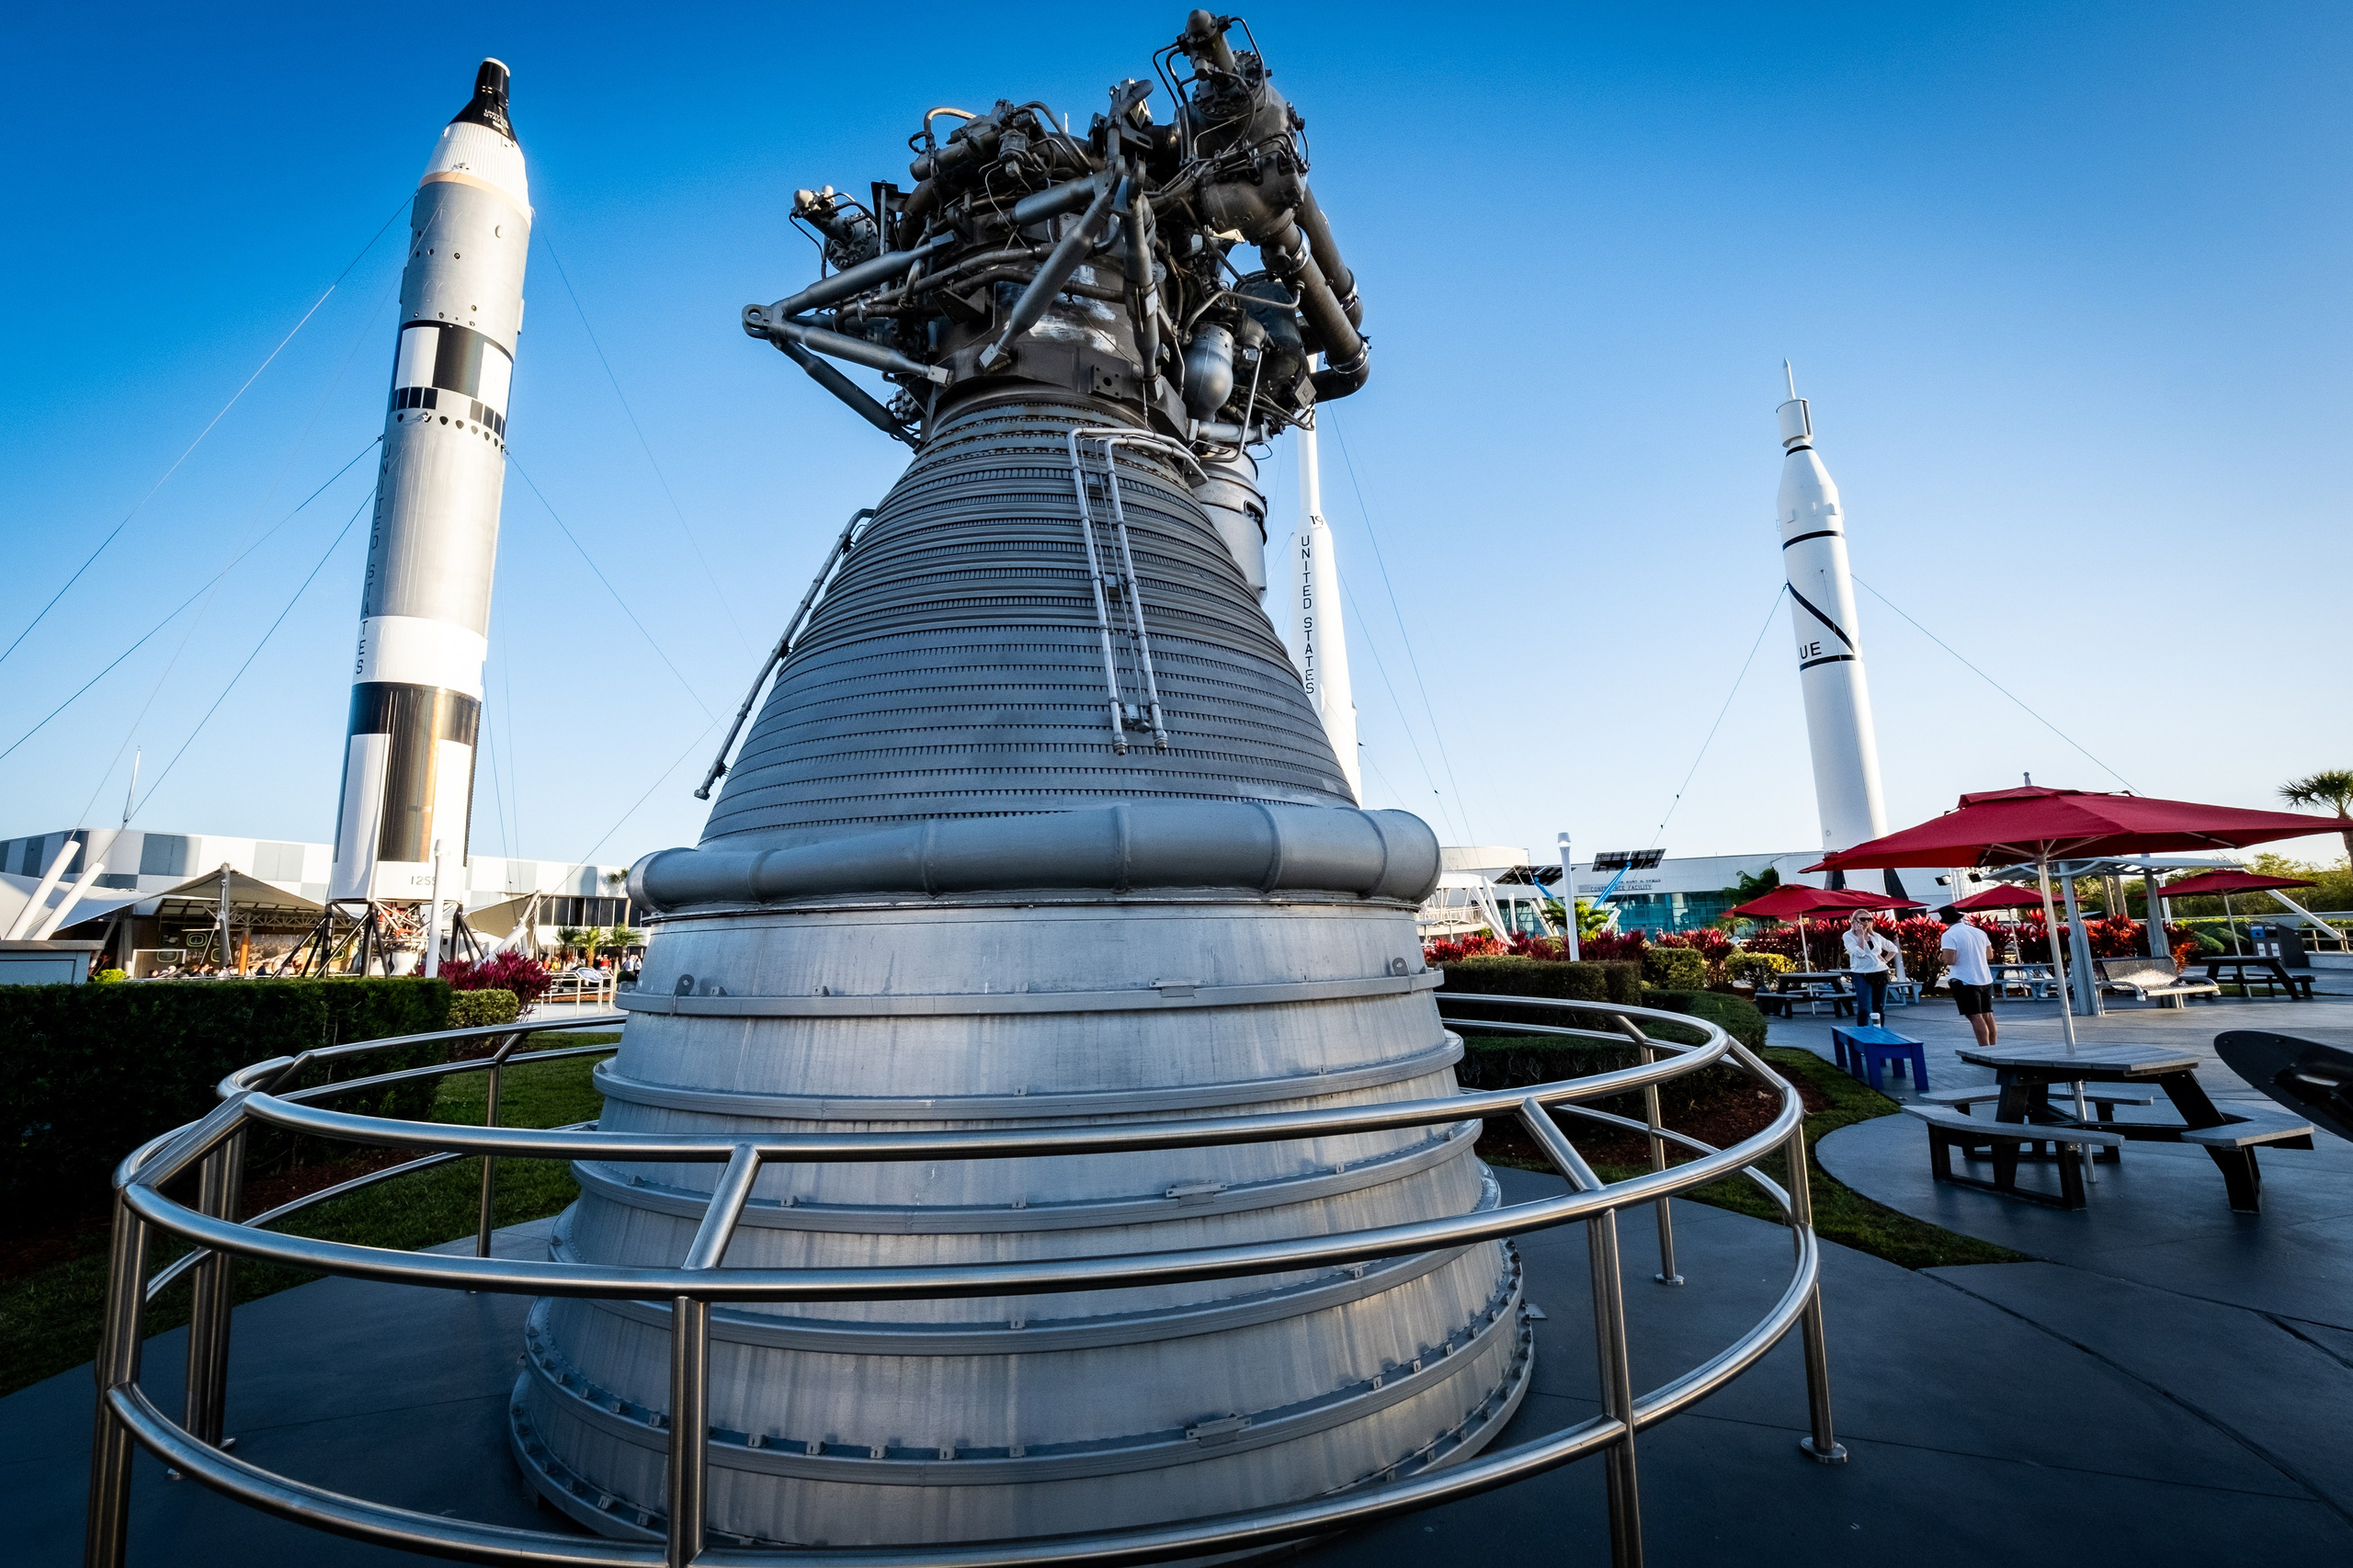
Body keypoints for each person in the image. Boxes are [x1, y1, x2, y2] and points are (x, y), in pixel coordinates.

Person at [1938, 906, 1998, 1047]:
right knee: (1987, 1014)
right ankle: (1994, 1047)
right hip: (1985, 978)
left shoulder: (1949, 935)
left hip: (1964, 980)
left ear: (1945, 921)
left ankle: (1984, 1049)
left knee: (1974, 1016)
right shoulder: (1979, 932)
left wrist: (1940, 957)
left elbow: (1950, 960)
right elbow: (1989, 955)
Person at [1841, 910, 1899, 1024]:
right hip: (1861, 973)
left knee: (1879, 1009)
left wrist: (1885, 960)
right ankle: (1863, 1032)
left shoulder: (1875, 936)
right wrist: (1860, 936)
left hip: (1880, 972)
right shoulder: (1848, 936)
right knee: (1864, 1009)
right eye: (1863, 919)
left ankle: (1879, 1031)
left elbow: (1893, 948)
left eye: (1869, 919)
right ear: (1854, 921)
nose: (1866, 922)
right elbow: (1859, 953)